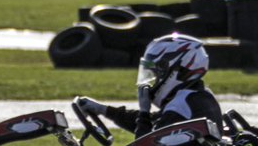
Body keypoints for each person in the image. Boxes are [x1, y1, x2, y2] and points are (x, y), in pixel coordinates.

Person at [76, 34, 221, 138]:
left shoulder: (180, 106)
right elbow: (153, 123)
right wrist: (103, 110)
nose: (153, 79)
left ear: (178, 69)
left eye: (157, 73)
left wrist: (144, 110)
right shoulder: (197, 97)